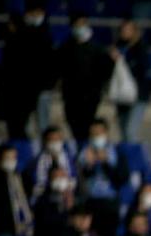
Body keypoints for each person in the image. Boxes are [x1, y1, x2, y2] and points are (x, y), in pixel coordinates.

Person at [0, 4, 56, 140]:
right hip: (18, 93)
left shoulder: (38, 37)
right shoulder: (13, 41)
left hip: (30, 91)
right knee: (21, 129)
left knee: (38, 126)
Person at [57, 16, 115, 145]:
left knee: (86, 126)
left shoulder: (97, 48)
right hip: (71, 95)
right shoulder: (66, 47)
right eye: (77, 25)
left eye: (83, 24)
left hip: (91, 95)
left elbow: (105, 71)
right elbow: (59, 68)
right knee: (74, 125)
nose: (80, 28)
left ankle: (86, 150)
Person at [75, 119, 128, 236]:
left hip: (109, 204)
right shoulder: (83, 153)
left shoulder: (117, 153)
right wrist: (89, 165)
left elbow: (121, 179)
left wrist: (105, 162)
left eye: (99, 133)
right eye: (94, 134)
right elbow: (80, 178)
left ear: (106, 133)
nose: (97, 137)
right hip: (90, 203)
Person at [111, 20, 150, 143]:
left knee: (130, 132)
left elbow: (142, 68)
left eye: (128, 30)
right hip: (122, 96)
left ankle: (133, 159)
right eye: (122, 30)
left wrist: (123, 60)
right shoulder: (118, 46)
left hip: (137, 95)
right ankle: (125, 160)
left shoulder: (140, 47)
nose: (125, 32)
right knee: (123, 132)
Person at [29, 125, 73, 202]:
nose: (55, 143)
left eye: (57, 139)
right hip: (46, 198)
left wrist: (66, 185)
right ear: (45, 141)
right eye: (51, 140)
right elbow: (37, 185)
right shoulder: (38, 161)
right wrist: (51, 185)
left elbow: (73, 177)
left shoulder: (68, 157)